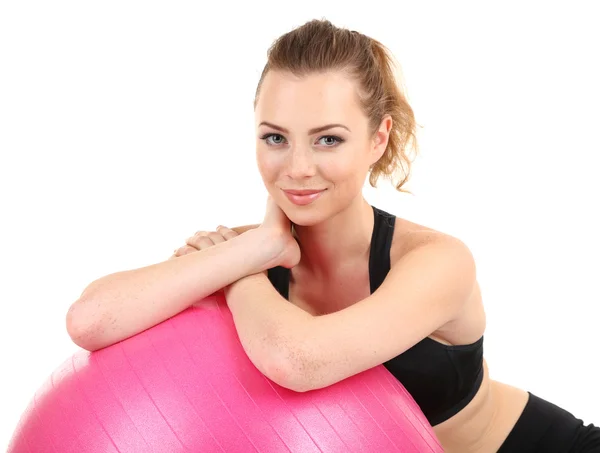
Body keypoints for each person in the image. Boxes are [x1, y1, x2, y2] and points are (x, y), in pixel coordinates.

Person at [65, 19, 600, 453]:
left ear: (376, 139)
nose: (297, 167)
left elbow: (300, 361)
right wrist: (255, 250)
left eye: (327, 140)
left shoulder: (437, 261)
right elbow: (89, 320)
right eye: (276, 137)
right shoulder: (245, 251)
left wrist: (241, 273)